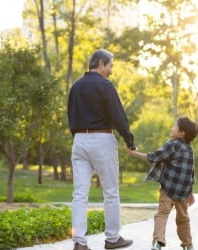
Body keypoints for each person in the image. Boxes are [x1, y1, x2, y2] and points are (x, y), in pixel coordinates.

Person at [67, 49, 135, 250]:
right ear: (100, 64)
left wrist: (79, 137)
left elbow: (70, 115)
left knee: (79, 194)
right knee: (111, 192)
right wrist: (129, 140)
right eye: (110, 66)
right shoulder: (105, 86)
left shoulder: (76, 87)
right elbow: (118, 116)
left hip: (79, 140)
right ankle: (112, 239)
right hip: (102, 139)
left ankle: (79, 243)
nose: (111, 71)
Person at [127, 116, 198, 250]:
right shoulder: (190, 149)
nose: (172, 128)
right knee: (183, 219)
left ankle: (158, 242)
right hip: (183, 192)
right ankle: (188, 245)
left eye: (174, 126)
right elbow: (191, 173)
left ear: (181, 132)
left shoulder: (172, 144)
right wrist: (191, 192)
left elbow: (155, 156)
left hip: (168, 189)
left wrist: (134, 153)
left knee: (162, 214)